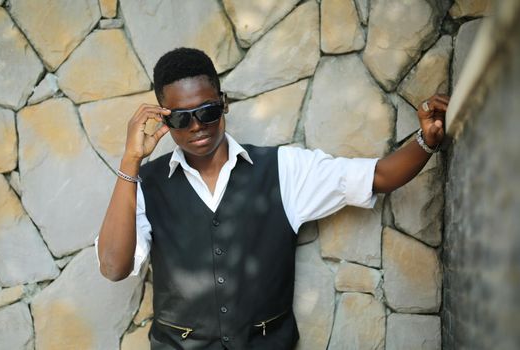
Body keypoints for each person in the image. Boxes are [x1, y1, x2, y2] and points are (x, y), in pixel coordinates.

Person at [96, 47, 449, 350]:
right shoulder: (143, 183)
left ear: (224, 104)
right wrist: (130, 162)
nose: (196, 127)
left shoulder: (283, 169)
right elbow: (114, 267)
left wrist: (426, 140)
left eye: (207, 111)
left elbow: (379, 176)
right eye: (181, 119)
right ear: (163, 119)